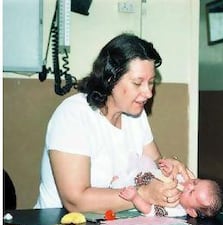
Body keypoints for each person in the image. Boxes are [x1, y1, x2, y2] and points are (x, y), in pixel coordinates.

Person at [34, 33, 193, 213]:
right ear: (110, 79)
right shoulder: (73, 116)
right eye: (137, 83)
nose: (148, 93)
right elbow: (76, 201)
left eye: (151, 83)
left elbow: (155, 164)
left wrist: (169, 167)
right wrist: (145, 193)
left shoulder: (135, 115)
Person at [116, 157, 223, 218]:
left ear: (191, 211)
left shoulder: (175, 209)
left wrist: (134, 197)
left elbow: (148, 210)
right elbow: (163, 172)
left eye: (191, 192)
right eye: (195, 182)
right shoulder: (184, 179)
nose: (189, 185)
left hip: (128, 183)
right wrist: (168, 168)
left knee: (116, 182)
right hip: (138, 168)